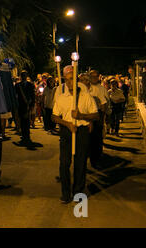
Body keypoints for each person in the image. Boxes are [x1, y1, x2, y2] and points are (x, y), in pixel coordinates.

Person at [52, 65, 99, 203]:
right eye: (66, 80)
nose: (69, 82)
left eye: (71, 79)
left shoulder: (86, 96)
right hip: (67, 131)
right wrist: (67, 124)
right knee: (64, 163)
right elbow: (54, 116)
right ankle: (65, 194)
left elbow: (95, 115)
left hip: (82, 132)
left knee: (80, 163)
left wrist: (81, 116)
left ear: (76, 80)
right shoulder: (61, 97)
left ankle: (78, 192)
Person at [87, 70, 109, 167]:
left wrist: (103, 116)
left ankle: (96, 157)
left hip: (98, 115)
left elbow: (105, 103)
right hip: (86, 115)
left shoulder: (102, 89)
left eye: (96, 76)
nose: (94, 78)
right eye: (92, 76)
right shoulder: (86, 88)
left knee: (97, 137)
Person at [15, 70, 35, 144]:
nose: (24, 77)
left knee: (27, 120)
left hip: (28, 105)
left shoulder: (30, 85)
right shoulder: (17, 85)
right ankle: (24, 134)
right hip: (20, 105)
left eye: (25, 75)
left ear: (26, 76)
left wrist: (32, 104)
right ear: (21, 76)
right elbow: (15, 96)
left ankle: (27, 134)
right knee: (22, 120)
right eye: (22, 75)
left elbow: (33, 95)